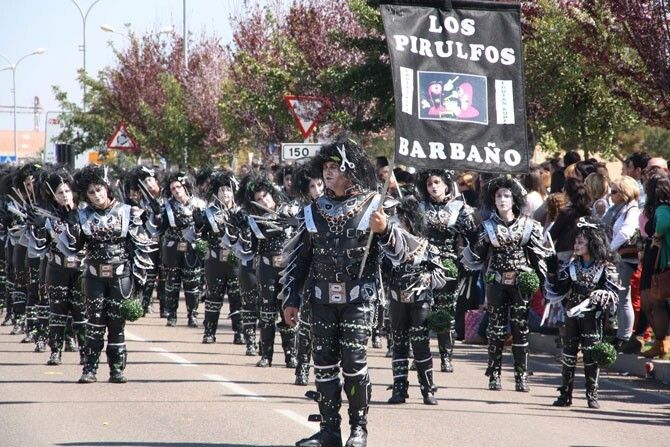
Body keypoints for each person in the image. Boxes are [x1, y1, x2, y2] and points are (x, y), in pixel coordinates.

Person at [281, 137, 411, 447]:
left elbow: (402, 254)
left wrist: (385, 231)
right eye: (325, 166)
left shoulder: (375, 206)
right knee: (324, 362)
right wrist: (291, 298)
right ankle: (329, 431)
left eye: (334, 166)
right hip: (320, 299)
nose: (328, 172)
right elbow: (301, 259)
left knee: (353, 361)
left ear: (350, 170)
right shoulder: (313, 210)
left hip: (358, 299)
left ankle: (359, 429)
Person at [61, 166, 154, 383]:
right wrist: (70, 227)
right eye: (91, 192)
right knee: (94, 323)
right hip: (94, 275)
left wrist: (140, 282)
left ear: (107, 188)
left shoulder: (128, 212)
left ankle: (117, 369)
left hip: (121, 275)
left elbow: (141, 247)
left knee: (116, 324)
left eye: (99, 189)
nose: (97, 195)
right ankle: (89, 369)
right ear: (86, 195)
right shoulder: (82, 215)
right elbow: (74, 247)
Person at [462, 175, 554, 392]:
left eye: (506, 196)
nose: (502, 200)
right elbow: (476, 258)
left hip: (520, 283)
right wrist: (474, 239)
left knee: (520, 328)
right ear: (492, 200)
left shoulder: (529, 225)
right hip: (496, 283)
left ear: (514, 200)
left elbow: (537, 258)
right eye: (498, 196)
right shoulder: (486, 227)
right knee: (496, 329)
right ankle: (494, 374)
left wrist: (545, 286)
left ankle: (521, 375)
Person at [545, 217, 620, 408]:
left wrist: (600, 295)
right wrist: (552, 271)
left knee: (591, 356)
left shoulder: (605, 267)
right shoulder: (572, 266)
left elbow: (613, 293)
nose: (576, 245)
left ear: (593, 243)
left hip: (593, 318)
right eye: (576, 242)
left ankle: (592, 395)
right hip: (572, 316)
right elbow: (559, 289)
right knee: (569, 355)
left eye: (581, 242)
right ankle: (565, 395)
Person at [384, 197, 447, 405]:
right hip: (396, 299)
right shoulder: (389, 247)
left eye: (403, 220)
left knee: (421, 344)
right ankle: (399, 389)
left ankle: (427, 389)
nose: (399, 223)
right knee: (399, 343)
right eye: (397, 220)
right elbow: (381, 271)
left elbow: (440, 275)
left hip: (420, 301)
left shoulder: (428, 246)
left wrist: (427, 277)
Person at [234, 171, 298, 368]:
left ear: (273, 194)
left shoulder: (291, 211)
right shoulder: (254, 220)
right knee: (267, 312)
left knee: (287, 309)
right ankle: (266, 355)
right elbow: (249, 249)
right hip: (265, 268)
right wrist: (240, 230)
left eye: (265, 196)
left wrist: (295, 222)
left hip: (287, 268)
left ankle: (291, 355)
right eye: (259, 199)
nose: (264, 201)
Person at [416, 168, 477, 372]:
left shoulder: (459, 208)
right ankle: (421, 356)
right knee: (421, 310)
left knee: (444, 310)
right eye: (429, 184)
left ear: (446, 185)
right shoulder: (419, 207)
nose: (433, 187)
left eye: (437, 183)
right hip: (422, 263)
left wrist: (468, 257)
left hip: (447, 264)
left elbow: (472, 238)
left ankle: (445, 357)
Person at [28, 170, 86, 366]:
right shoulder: (49, 216)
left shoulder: (85, 213)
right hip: (57, 268)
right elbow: (40, 246)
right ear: (54, 196)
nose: (65, 195)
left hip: (80, 269)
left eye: (67, 191)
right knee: (57, 311)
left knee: (80, 311)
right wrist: (37, 228)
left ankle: (85, 353)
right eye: (60, 192)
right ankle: (55, 351)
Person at [194, 170, 244, 345]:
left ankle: (239, 332)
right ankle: (209, 332)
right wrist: (198, 224)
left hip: (236, 260)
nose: (225, 193)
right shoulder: (209, 212)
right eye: (222, 190)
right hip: (215, 260)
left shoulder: (241, 211)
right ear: (216, 193)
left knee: (237, 297)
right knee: (213, 296)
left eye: (228, 189)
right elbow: (199, 235)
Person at [158, 172, 206, 328]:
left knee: (192, 282)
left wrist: (200, 224)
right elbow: (159, 228)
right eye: (173, 188)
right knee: (172, 282)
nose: (176, 190)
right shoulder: (166, 206)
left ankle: (192, 315)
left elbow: (206, 229)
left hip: (192, 247)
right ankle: (171, 315)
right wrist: (156, 217)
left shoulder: (199, 204)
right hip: (172, 247)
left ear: (185, 187)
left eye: (178, 187)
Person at [291, 164, 324, 386]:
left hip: (335, 275)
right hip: (313, 274)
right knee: (306, 324)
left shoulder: (340, 208)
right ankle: (302, 367)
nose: (317, 189)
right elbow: (301, 253)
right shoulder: (307, 213)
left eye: (320, 184)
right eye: (312, 186)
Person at [639, 174, 670, 358]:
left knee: (654, 301)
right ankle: (660, 342)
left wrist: (657, 235)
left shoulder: (663, 207)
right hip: (655, 257)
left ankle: (661, 342)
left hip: (659, 259)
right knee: (654, 302)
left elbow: (663, 224)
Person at [607, 176, 641, 349]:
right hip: (621, 258)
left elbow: (625, 233)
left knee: (623, 297)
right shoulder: (621, 209)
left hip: (626, 259)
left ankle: (625, 335)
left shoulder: (632, 210)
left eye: (614, 191)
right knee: (620, 298)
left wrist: (609, 249)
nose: (610, 195)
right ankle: (621, 334)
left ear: (624, 193)